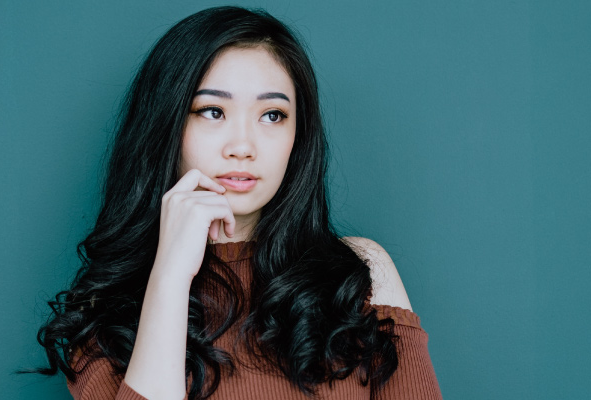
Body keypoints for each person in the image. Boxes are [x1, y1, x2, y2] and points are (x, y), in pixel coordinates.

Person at [35, 6, 442, 400]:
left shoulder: (360, 274)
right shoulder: (108, 314)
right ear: (167, 126)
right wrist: (170, 277)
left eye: (272, 115)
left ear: (298, 138)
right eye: (212, 111)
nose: (243, 147)